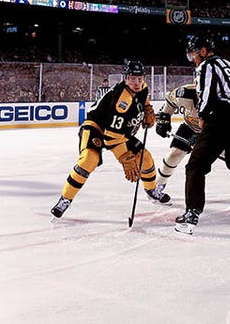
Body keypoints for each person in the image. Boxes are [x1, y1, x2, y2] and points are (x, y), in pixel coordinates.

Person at [50, 60, 167, 218]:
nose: (137, 83)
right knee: (89, 160)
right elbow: (111, 137)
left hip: (119, 132)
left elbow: (144, 99)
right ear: (125, 78)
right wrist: (125, 158)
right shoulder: (122, 101)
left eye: (140, 79)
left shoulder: (143, 87)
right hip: (96, 128)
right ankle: (65, 199)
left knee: (145, 158)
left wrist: (147, 110)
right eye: (133, 79)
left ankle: (151, 190)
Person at [175, 34, 230, 235]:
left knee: (196, 164)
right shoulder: (228, 64)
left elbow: (205, 94)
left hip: (223, 117)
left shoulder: (206, 66)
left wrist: (203, 117)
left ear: (204, 51)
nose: (193, 60)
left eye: (193, 55)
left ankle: (192, 213)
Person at [153, 82, 204, 197]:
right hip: (189, 126)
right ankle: (158, 185)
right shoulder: (184, 93)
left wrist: (201, 137)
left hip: (213, 131)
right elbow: (170, 102)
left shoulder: (223, 98)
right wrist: (163, 120)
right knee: (174, 154)